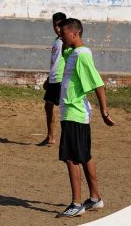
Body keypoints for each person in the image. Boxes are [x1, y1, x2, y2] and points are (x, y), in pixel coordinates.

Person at [55, 18, 115, 218]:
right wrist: (63, 38)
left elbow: (98, 84)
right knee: (85, 156)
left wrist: (104, 111)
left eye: (63, 33)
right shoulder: (72, 52)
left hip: (75, 114)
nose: (60, 36)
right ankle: (95, 198)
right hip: (72, 113)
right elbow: (64, 50)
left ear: (75, 33)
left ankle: (76, 203)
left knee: (71, 159)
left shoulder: (82, 55)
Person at [37, 12, 72, 146]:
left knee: (64, 110)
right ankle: (50, 137)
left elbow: (68, 59)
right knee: (48, 106)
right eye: (54, 25)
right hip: (53, 79)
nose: (57, 28)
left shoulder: (66, 41)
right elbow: (55, 61)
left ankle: (67, 138)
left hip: (60, 79)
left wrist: (65, 76)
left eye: (59, 25)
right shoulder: (56, 40)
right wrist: (48, 78)